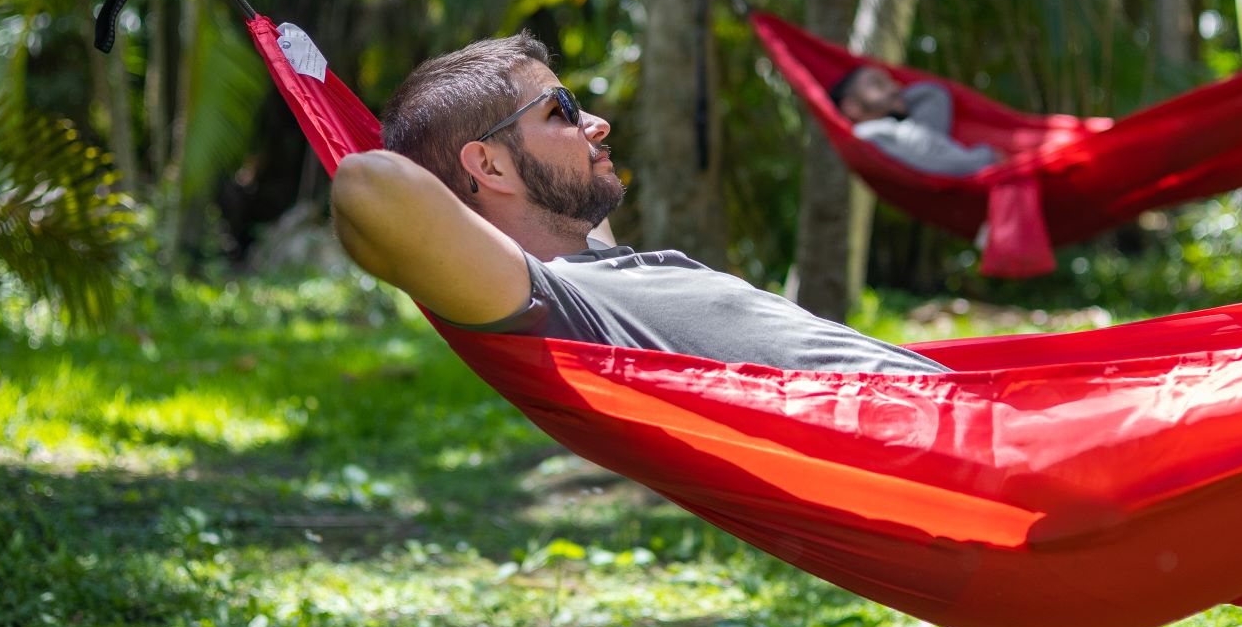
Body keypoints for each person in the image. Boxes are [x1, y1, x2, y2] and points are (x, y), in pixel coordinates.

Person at [330, 33, 944, 374]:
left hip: (967, 411)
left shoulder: (593, 263)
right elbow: (367, 184)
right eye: (562, 111)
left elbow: (576, 197)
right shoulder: (552, 299)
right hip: (961, 446)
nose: (595, 123)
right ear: (487, 164)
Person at [829, 66, 1000, 177]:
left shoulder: (900, 130)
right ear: (851, 107)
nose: (896, 87)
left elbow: (934, 95)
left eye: (892, 82)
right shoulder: (871, 134)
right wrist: (988, 157)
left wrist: (896, 101)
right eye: (879, 84)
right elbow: (945, 166)